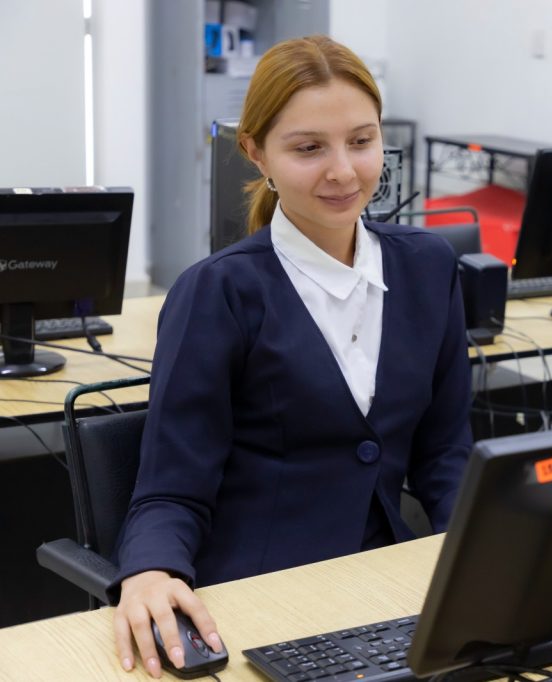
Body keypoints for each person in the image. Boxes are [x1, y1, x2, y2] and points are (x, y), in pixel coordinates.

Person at [111, 35, 472, 678]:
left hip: (390, 585)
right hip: (262, 598)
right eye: (309, 148)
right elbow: (171, 488)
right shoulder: (217, 292)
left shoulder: (428, 266)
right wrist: (150, 572)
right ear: (257, 153)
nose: (344, 171)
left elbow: (444, 454)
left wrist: (484, 559)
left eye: (361, 141)